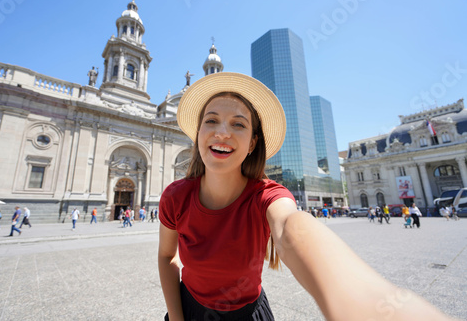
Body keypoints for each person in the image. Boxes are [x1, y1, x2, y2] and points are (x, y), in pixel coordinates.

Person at [157, 72, 454, 321]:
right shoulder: (176, 197)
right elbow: (166, 256)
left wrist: (366, 300)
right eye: (211, 120)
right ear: (198, 133)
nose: (222, 132)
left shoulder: (267, 197)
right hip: (187, 309)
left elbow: (291, 228)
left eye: (238, 124)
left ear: (252, 143)